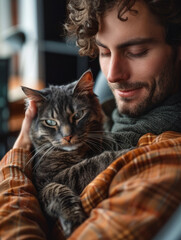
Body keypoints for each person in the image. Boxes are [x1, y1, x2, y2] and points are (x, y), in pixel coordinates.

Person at [0, 0, 181, 239]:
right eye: (104, 52)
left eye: (137, 52)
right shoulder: (104, 117)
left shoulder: (162, 159)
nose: (112, 75)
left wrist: (17, 157)